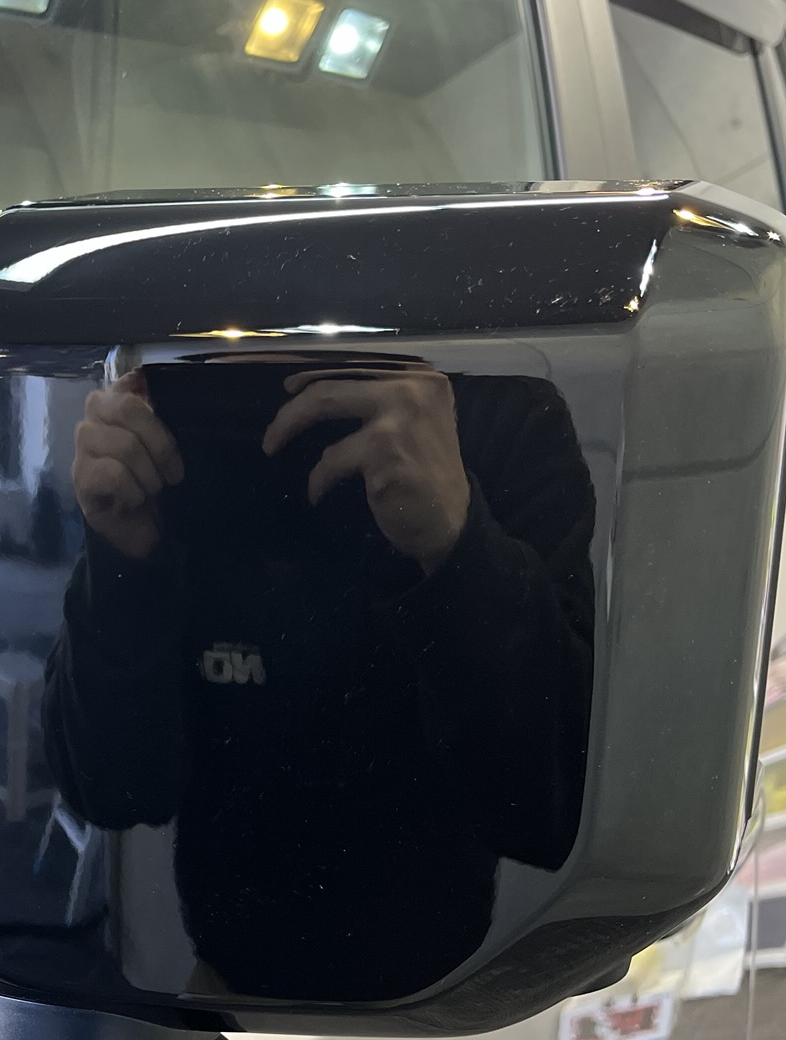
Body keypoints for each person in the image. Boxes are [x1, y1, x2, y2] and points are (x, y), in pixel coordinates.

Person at [41, 352, 596, 1002]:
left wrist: (456, 542)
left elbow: (549, 812)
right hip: (232, 985)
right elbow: (111, 788)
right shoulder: (182, 400)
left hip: (444, 992)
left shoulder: (502, 412)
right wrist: (122, 558)